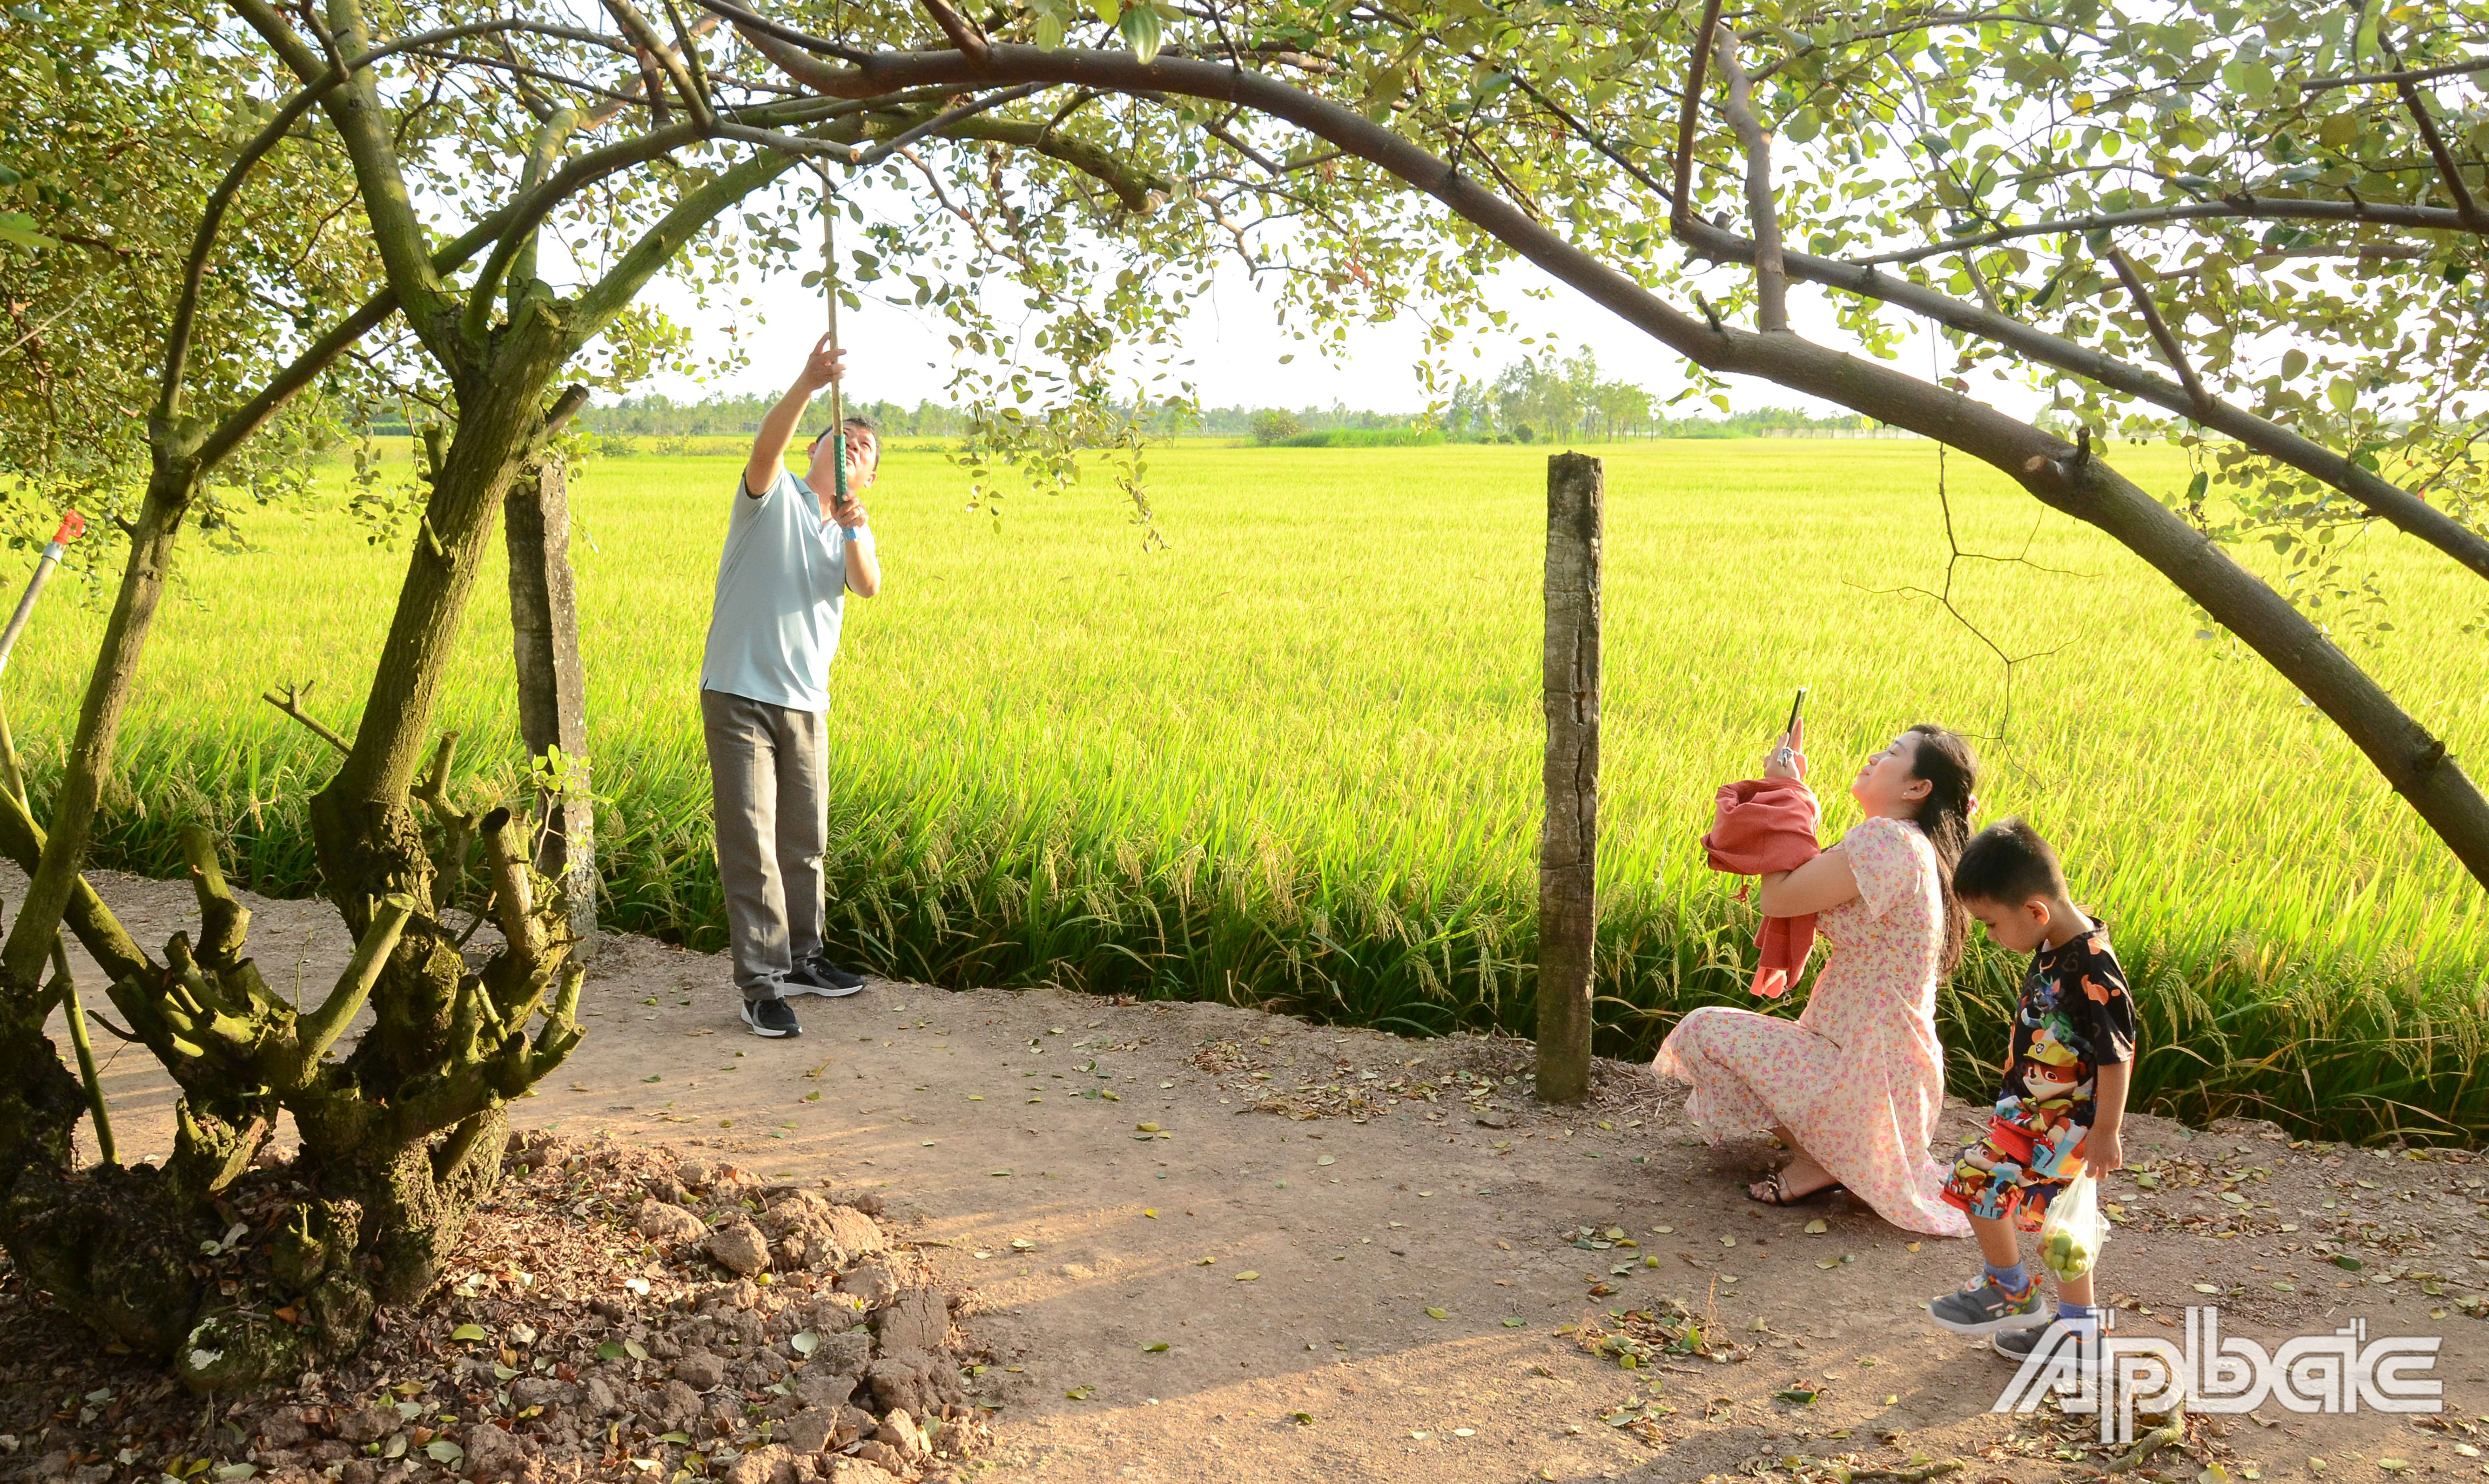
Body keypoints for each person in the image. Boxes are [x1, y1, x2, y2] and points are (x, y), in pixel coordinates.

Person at [1653, 723, 1980, 1237]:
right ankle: (1837, 1153)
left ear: (1918, 789)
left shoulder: (1887, 841)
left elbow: (1780, 896)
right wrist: (1793, 794)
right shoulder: (1909, 846)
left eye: (1893, 752)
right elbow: (1806, 873)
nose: (1874, 755)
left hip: (1865, 1068)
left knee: (1701, 1032)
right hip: (1886, 1068)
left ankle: (1826, 1160)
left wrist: (1786, 796)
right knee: (1719, 1037)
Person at [702, 332, 883, 1038]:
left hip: (807, 703)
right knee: (750, 839)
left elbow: (867, 588)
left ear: (869, 479)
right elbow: (764, 448)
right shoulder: (769, 499)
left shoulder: (850, 530)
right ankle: (761, 983)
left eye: (864, 451)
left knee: (804, 842)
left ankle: (806, 959)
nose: (850, 451)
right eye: (838, 440)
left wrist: (854, 530)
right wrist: (810, 383)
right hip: (739, 693)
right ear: (811, 452)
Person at [1927, 818, 2135, 1362]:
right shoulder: (2054, 939)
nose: (1991, 938)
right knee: (2035, 1213)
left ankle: (2019, 1295)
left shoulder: (2092, 965)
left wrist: (2107, 1131)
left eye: (1991, 925)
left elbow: (2117, 1055)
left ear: (2036, 911)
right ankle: (2066, 1325)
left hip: (2065, 1126)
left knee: (2037, 1215)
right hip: (2029, 1115)